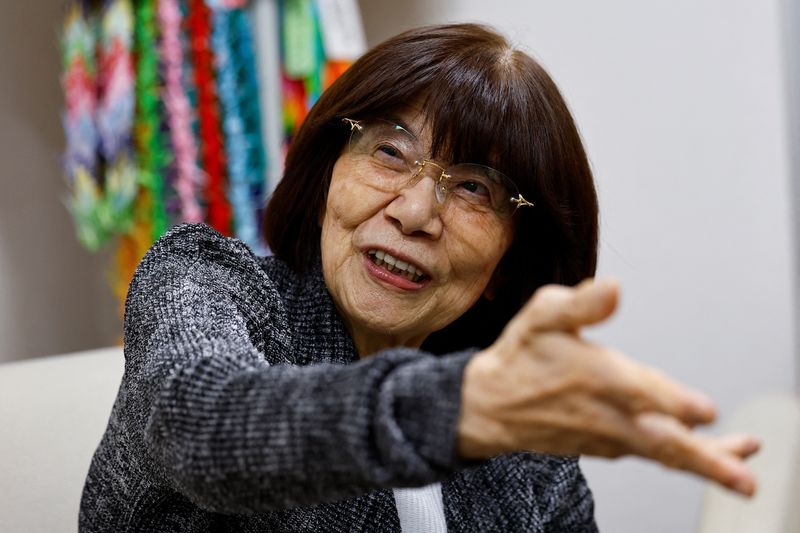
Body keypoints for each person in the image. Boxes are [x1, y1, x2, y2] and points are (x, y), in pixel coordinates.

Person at [80, 23, 758, 532]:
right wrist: (458, 409)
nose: (413, 212)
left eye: (474, 189)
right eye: (389, 151)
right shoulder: (200, 279)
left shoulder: (515, 414)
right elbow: (201, 423)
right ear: (326, 176)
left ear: (508, 263)